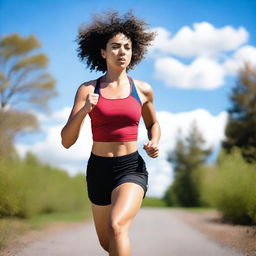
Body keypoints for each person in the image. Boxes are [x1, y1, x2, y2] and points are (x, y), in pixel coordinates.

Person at [61, 10, 161, 256]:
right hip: (98, 170)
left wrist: (154, 142)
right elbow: (66, 141)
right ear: (103, 52)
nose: (122, 52)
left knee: (117, 226)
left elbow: (153, 124)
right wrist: (84, 110)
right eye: (115, 46)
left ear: (133, 52)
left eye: (127, 46)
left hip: (131, 167)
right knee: (107, 243)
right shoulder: (87, 89)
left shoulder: (143, 90)